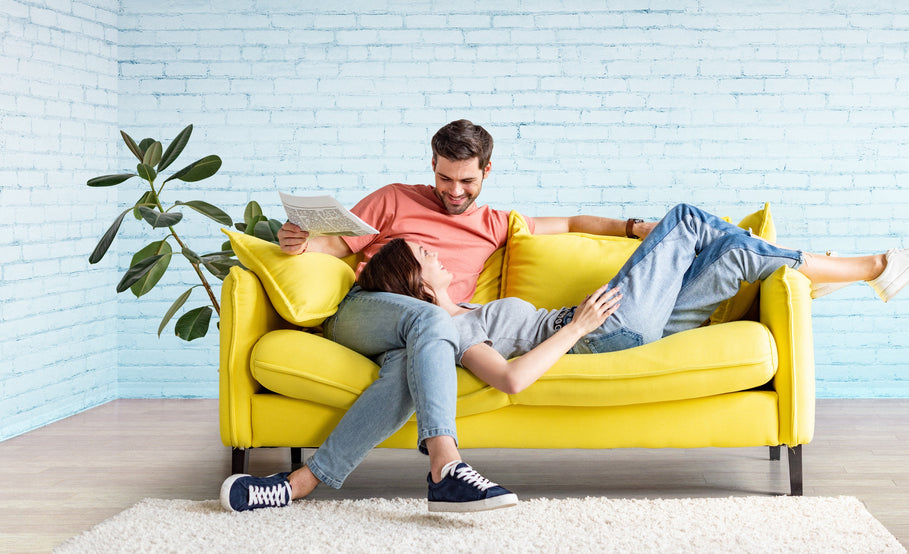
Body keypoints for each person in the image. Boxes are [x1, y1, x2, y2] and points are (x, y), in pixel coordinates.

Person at [221, 120, 660, 513]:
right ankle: (445, 466)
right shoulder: (393, 199)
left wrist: (633, 227)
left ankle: (296, 485)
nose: (453, 191)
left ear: (487, 171)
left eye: (466, 180)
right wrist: (298, 244)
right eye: (443, 177)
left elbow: (566, 223)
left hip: (426, 337)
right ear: (432, 165)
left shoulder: (493, 222)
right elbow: (336, 247)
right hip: (366, 311)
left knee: (409, 367)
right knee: (434, 321)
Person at [357, 203, 909, 412]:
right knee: (689, 218)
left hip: (627, 325)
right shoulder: (451, 329)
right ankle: (864, 265)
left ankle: (873, 273)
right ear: (417, 283)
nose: (435, 255)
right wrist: (580, 324)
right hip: (601, 326)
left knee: (739, 255)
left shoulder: (456, 307)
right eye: (423, 255)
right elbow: (512, 379)